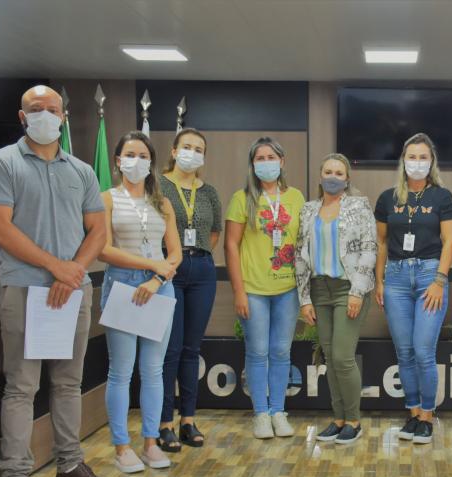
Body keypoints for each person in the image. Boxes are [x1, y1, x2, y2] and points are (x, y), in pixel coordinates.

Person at [0, 84, 113, 477]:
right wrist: (57, 267)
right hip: (24, 289)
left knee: (69, 382)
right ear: (22, 117)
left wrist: (73, 271)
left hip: (73, 290)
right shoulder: (1, 163)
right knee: (22, 386)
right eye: (36, 109)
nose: (45, 115)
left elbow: (98, 231)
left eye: (52, 109)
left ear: (64, 116)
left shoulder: (82, 171)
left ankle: (69, 464)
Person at [98, 131, 181, 473]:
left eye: (143, 155)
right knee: (121, 371)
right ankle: (121, 447)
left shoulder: (162, 203)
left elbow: (174, 253)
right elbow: (104, 249)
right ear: (118, 161)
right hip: (122, 286)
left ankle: (150, 443)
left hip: (159, 287)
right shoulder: (107, 199)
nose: (137, 161)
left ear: (151, 163)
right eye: (130, 155)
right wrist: (150, 265)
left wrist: (157, 278)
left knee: (153, 370)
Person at [374, 132, 452, 445]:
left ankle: (427, 416)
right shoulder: (388, 198)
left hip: (428, 276)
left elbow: (449, 240)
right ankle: (412, 413)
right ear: (403, 161)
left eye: (423, 157)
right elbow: (382, 242)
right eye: (412, 157)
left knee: (423, 351)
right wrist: (379, 281)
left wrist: (439, 280)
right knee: (405, 352)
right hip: (395, 279)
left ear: (431, 161)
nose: (417, 162)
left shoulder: (442, 197)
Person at [225, 137, 304, 439]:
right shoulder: (241, 198)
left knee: (281, 351)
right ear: (252, 164)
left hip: (288, 289)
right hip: (254, 289)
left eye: (271, 157)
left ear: (282, 161)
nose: (266, 162)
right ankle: (260, 413)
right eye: (260, 158)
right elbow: (231, 246)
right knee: (258, 352)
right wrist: (239, 291)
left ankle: (278, 411)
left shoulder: (296, 197)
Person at [295, 154, 377, 444]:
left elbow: (369, 249)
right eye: (328, 172)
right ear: (320, 177)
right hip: (319, 290)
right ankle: (339, 418)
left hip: (347, 289)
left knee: (342, 357)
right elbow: (300, 255)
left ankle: (353, 420)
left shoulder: (359, 206)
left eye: (339, 173)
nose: (333, 177)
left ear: (347, 178)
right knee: (330, 358)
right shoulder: (308, 210)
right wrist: (304, 299)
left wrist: (357, 291)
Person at [158, 128, 222, 452]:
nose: (192, 153)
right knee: (170, 348)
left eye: (199, 149)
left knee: (191, 349)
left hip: (202, 270)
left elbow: (214, 232)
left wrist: (197, 256)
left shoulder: (208, 192)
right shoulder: (158, 186)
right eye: (187, 147)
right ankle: (164, 423)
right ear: (173, 151)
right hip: (168, 269)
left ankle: (188, 420)